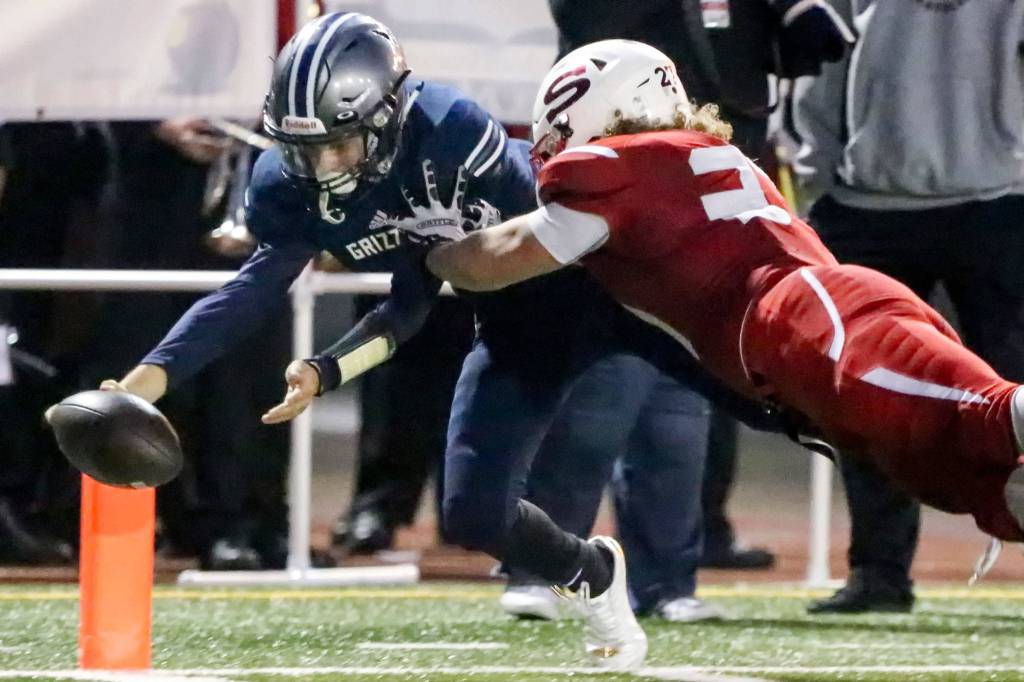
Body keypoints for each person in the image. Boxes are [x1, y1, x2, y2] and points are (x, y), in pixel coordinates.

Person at [92, 14, 771, 670]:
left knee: (753, 401)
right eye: (305, 149)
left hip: (608, 289)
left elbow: (548, 237)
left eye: (338, 144)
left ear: (388, 114)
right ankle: (588, 572)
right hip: (514, 323)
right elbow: (278, 294)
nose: (322, 168)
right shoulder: (290, 186)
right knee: (473, 515)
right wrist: (149, 380)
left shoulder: (451, 134)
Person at [401, 37, 1024, 583]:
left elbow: (502, 256)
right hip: (813, 331)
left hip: (802, 319)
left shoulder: (618, 167)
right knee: (961, 476)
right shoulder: (702, 156)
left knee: (991, 415)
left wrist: (431, 253)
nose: (551, 151)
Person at [547, 0, 853, 570]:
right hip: (626, 147)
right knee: (605, 377)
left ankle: (686, 544)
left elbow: (807, 35)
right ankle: (547, 550)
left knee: (716, 348)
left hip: (724, 142)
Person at [791, 0, 1024, 613]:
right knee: (865, 399)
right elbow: (819, 59)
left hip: (1000, 203)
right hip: (869, 206)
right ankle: (879, 573)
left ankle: (880, 573)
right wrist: (823, 175)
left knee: (1019, 397)